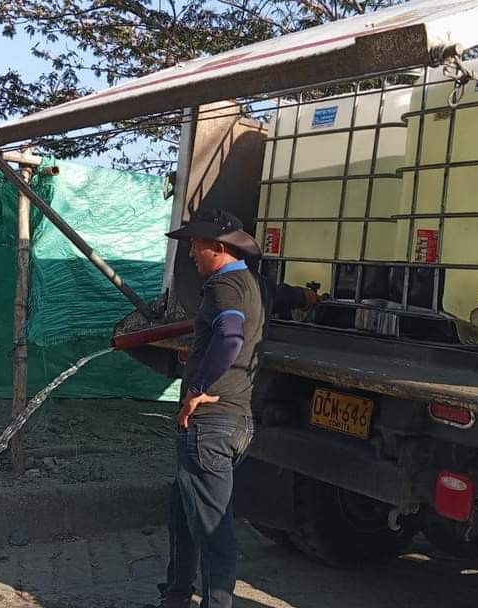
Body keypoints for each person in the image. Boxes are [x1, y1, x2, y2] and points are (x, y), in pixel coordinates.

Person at [153, 208, 269, 608]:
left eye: (195, 247)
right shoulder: (249, 282)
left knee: (212, 526)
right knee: (184, 515)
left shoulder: (225, 286)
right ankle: (176, 594)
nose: (191, 255)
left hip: (212, 424)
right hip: (233, 421)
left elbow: (231, 336)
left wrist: (198, 387)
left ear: (218, 248)